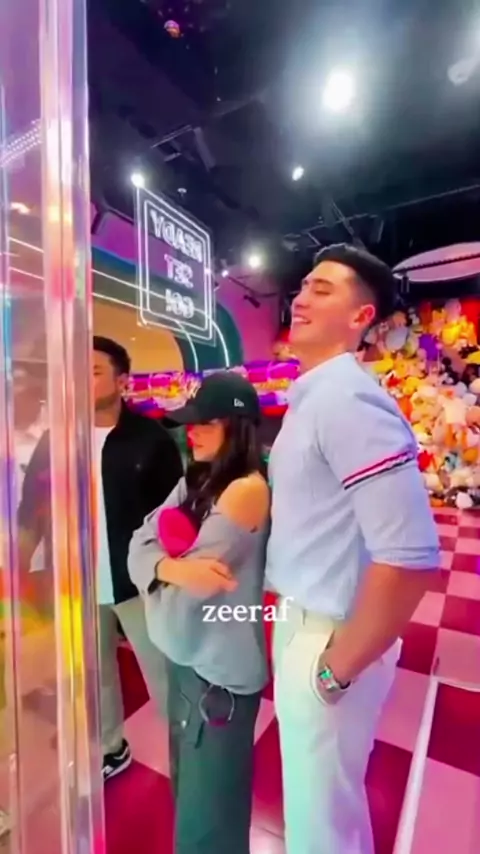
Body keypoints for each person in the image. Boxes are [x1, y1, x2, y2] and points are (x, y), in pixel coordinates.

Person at [266, 244, 440, 854]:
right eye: (303, 286)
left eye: (323, 289)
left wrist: (335, 670)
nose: (301, 298)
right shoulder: (315, 397)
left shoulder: (346, 399)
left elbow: (411, 558)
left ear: (361, 317)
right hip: (305, 623)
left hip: (329, 635)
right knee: (324, 811)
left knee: (319, 823)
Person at [18, 336, 183, 781]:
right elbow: (32, 508)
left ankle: (187, 754)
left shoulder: (151, 441)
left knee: (164, 673)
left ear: (121, 381)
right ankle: (111, 746)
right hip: (77, 581)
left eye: (93, 371)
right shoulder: (56, 440)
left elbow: (175, 516)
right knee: (94, 676)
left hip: (138, 583)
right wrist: (18, 565)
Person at [128, 371, 270, 854]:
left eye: (206, 423)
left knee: (208, 823)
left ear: (237, 426)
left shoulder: (246, 490)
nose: (192, 433)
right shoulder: (199, 478)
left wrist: (159, 574)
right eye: (191, 423)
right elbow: (138, 543)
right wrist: (171, 568)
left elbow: (194, 590)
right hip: (186, 659)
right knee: (191, 797)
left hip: (218, 674)